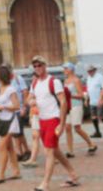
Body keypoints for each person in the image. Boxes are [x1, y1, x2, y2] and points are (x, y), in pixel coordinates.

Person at [28, 55, 79, 190]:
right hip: (42, 120)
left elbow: (63, 102)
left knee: (49, 151)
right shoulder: (34, 83)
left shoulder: (54, 81)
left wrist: (61, 124)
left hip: (53, 119)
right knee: (55, 151)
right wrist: (31, 102)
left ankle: (45, 184)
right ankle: (73, 174)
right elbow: (29, 98)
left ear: (45, 66)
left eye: (40, 65)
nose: (37, 68)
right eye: (35, 66)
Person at [0, 66, 22, 184]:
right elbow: (1, 105)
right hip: (3, 122)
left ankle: (1, 174)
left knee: (1, 147)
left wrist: (3, 107)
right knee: (9, 148)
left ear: (2, 75)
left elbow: (17, 106)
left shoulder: (10, 89)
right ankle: (16, 171)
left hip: (11, 122)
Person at [62, 63, 98, 158]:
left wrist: (70, 95)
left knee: (77, 128)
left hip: (76, 106)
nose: (64, 70)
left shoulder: (76, 80)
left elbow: (81, 95)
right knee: (67, 128)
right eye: (64, 68)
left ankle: (91, 143)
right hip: (68, 106)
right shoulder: (65, 81)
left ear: (71, 69)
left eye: (65, 68)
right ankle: (70, 151)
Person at [9, 69, 31, 161]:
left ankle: (26, 150)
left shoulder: (18, 78)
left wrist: (24, 108)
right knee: (15, 133)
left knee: (19, 133)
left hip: (19, 109)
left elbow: (25, 92)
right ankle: (20, 152)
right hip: (10, 110)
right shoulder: (5, 80)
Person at [21, 71, 41, 168]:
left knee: (46, 137)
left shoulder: (45, 84)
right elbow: (28, 100)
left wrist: (36, 101)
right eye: (32, 79)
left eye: (35, 78)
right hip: (35, 113)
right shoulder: (33, 86)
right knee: (35, 136)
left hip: (45, 114)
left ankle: (55, 156)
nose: (33, 80)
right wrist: (30, 114)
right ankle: (32, 159)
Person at [86, 64, 103, 138]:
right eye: (88, 71)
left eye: (91, 71)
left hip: (99, 100)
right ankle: (97, 132)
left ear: (94, 70)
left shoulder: (99, 77)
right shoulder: (88, 78)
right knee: (93, 116)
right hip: (92, 101)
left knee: (101, 116)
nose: (89, 72)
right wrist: (86, 99)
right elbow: (88, 89)